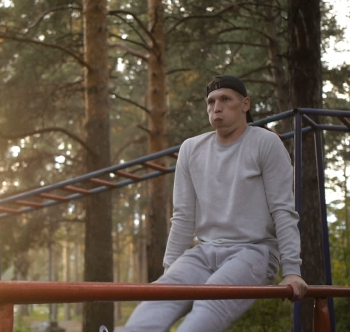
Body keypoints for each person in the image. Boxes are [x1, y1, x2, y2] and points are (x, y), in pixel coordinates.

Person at [118, 75, 308, 332]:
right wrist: (169, 275)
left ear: (245, 104)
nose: (216, 107)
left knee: (208, 308)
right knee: (154, 303)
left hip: (254, 252)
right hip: (204, 253)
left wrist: (292, 270)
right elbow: (183, 217)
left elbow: (283, 210)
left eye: (225, 99)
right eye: (210, 102)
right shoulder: (191, 149)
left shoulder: (265, 142)